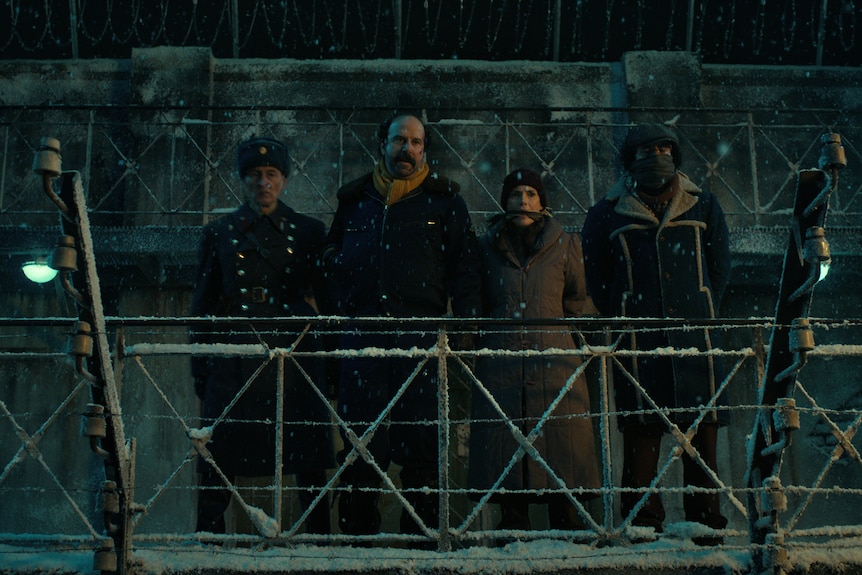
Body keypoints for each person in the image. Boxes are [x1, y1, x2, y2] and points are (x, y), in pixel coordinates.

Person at [321, 113, 481, 539]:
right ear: (382, 144)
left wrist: (465, 328)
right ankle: (358, 540)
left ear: (424, 149)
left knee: (423, 445)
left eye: (415, 142)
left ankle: (422, 539)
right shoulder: (354, 200)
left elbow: (466, 270)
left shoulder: (445, 202)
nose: (406, 149)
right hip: (362, 338)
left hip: (421, 338)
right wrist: (342, 306)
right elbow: (329, 260)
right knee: (359, 447)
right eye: (398, 140)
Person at [580, 123, 731, 544]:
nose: (658, 156)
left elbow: (719, 270)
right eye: (648, 150)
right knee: (641, 439)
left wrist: (699, 306)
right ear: (630, 160)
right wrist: (630, 311)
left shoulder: (703, 206)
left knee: (702, 440)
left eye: (665, 148)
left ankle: (706, 526)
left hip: (696, 343)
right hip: (638, 346)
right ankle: (644, 526)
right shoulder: (606, 214)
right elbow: (599, 281)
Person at [191, 135, 334, 535]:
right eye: (254, 175)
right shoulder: (220, 233)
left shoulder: (308, 231)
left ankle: (324, 546)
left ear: (284, 180)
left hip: (295, 354)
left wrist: (333, 363)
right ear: (243, 180)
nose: (263, 183)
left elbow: (327, 304)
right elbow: (202, 305)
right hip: (236, 352)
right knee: (218, 452)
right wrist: (200, 364)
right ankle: (208, 541)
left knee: (307, 452)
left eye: (271, 174)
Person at [468, 167, 600, 536]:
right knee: (507, 446)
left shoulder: (566, 244)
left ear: (543, 202)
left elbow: (577, 298)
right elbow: (476, 299)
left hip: (555, 361)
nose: (522, 200)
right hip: (502, 361)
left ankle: (568, 531)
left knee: (562, 447)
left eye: (530, 193)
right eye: (515, 194)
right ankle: (514, 531)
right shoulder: (486, 246)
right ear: (504, 202)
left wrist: (556, 331)